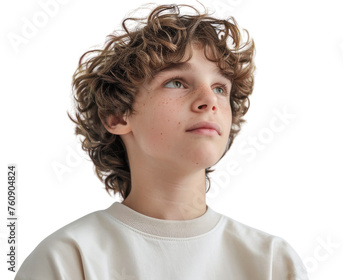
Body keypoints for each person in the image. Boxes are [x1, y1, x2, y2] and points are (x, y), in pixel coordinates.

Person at [15, 4, 308, 280]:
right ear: (117, 115)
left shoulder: (273, 263)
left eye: (220, 88)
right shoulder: (68, 261)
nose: (209, 100)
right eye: (177, 82)